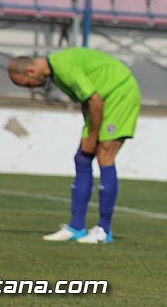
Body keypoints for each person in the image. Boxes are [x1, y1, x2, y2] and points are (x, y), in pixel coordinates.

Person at [8, 47, 141, 244]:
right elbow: (87, 101)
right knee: (83, 157)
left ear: (30, 71)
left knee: (105, 155)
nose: (31, 88)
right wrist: (87, 133)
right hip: (102, 100)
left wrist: (93, 136)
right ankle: (76, 227)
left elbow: (94, 100)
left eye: (28, 84)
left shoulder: (62, 68)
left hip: (119, 94)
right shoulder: (56, 74)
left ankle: (104, 231)